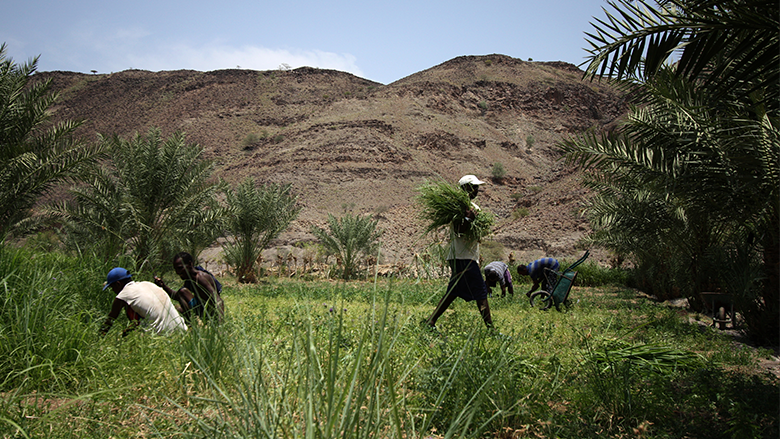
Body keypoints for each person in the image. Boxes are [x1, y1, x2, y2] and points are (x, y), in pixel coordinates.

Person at [426, 175, 494, 329]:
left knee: (453, 291)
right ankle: (491, 330)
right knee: (481, 293)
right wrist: (469, 219)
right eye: (474, 187)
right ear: (466, 188)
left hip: (463, 255)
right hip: (464, 257)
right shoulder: (459, 207)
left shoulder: (469, 206)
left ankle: (430, 322)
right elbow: (458, 230)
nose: (477, 190)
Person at [99, 267, 187, 336]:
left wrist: (99, 337)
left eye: (112, 287)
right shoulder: (147, 284)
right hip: (182, 330)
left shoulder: (123, 294)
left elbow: (110, 319)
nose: (113, 291)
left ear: (118, 284)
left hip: (163, 335)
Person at [154, 252, 225, 322]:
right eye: (176, 269)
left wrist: (220, 323)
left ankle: (193, 322)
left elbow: (218, 300)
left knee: (181, 295)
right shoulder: (190, 279)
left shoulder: (201, 278)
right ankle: (192, 321)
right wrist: (163, 286)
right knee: (177, 306)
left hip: (210, 312)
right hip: (200, 308)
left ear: (190, 264)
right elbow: (177, 296)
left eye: (180, 268)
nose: (178, 272)